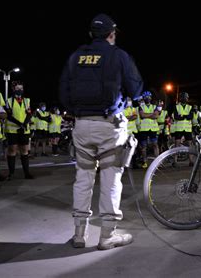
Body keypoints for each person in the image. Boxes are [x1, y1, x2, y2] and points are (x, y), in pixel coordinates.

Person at [60, 13, 143, 250]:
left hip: (82, 125)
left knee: (82, 179)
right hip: (109, 127)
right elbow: (137, 90)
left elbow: (63, 92)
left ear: (90, 34)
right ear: (111, 34)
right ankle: (107, 236)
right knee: (110, 180)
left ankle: (79, 234)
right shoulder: (118, 56)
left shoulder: (75, 56)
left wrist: (77, 110)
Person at [3, 81, 34, 180]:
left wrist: (24, 124)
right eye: (17, 88)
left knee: (24, 151)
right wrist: (19, 124)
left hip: (24, 130)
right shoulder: (8, 101)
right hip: (12, 130)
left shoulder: (27, 100)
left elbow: (29, 114)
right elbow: (8, 116)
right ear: (13, 89)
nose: (20, 90)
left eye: (21, 88)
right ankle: (11, 173)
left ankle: (27, 173)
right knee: (12, 150)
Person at [138, 91, 160, 168]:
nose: (148, 98)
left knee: (155, 145)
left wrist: (146, 115)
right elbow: (142, 115)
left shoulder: (154, 106)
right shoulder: (141, 106)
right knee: (144, 146)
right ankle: (144, 162)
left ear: (151, 98)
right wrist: (152, 114)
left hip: (153, 129)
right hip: (144, 129)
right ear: (144, 98)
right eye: (146, 97)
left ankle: (157, 162)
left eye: (149, 96)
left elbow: (156, 116)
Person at [173, 92, 195, 164]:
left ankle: (191, 161)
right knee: (177, 145)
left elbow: (190, 117)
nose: (185, 99)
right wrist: (186, 116)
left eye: (186, 97)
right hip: (178, 129)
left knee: (190, 145)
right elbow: (176, 117)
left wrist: (182, 115)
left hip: (187, 129)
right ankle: (175, 161)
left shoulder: (190, 107)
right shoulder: (176, 106)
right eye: (183, 97)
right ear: (180, 98)